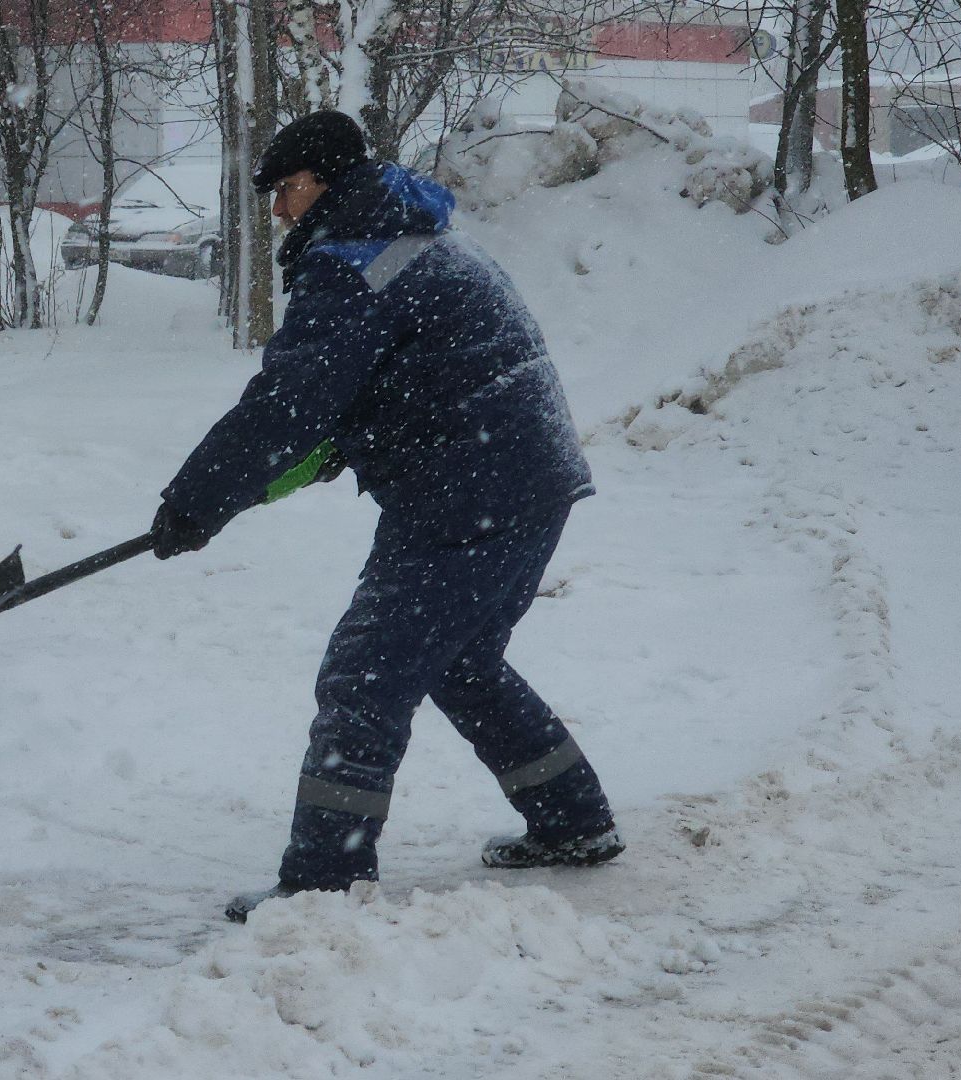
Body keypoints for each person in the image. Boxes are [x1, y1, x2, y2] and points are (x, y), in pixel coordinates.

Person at [146, 110, 624, 923]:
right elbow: (386, 382)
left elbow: (289, 406)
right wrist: (290, 467)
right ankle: (572, 819)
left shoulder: (354, 263)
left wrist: (195, 500)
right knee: (460, 661)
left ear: (326, 182)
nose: (278, 212)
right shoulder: (419, 238)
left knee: (365, 676)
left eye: (288, 190)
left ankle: (323, 883)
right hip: (527, 479)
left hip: (466, 494)